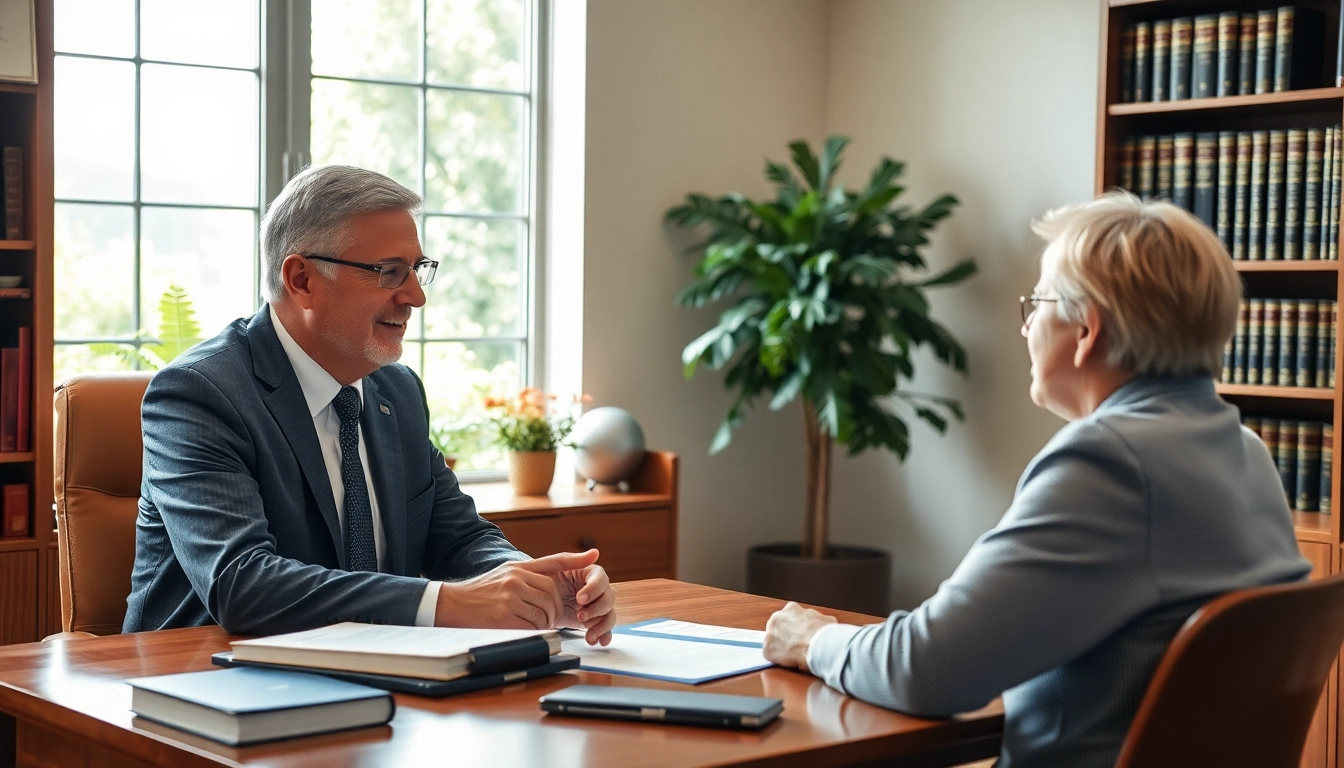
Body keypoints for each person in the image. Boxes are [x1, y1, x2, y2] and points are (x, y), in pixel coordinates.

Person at [761, 192, 1312, 767]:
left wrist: (813, 640)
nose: (1027, 329)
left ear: (1086, 330)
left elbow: (927, 669)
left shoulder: (1112, 461)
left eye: (1036, 305)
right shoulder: (1245, 454)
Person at [124, 165, 616, 644]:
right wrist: (447, 602)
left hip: (375, 681)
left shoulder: (396, 392)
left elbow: (459, 539)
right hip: (203, 684)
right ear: (301, 280)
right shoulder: (200, 394)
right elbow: (243, 584)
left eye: (418, 270)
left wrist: (534, 584)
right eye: (388, 272)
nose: (416, 297)